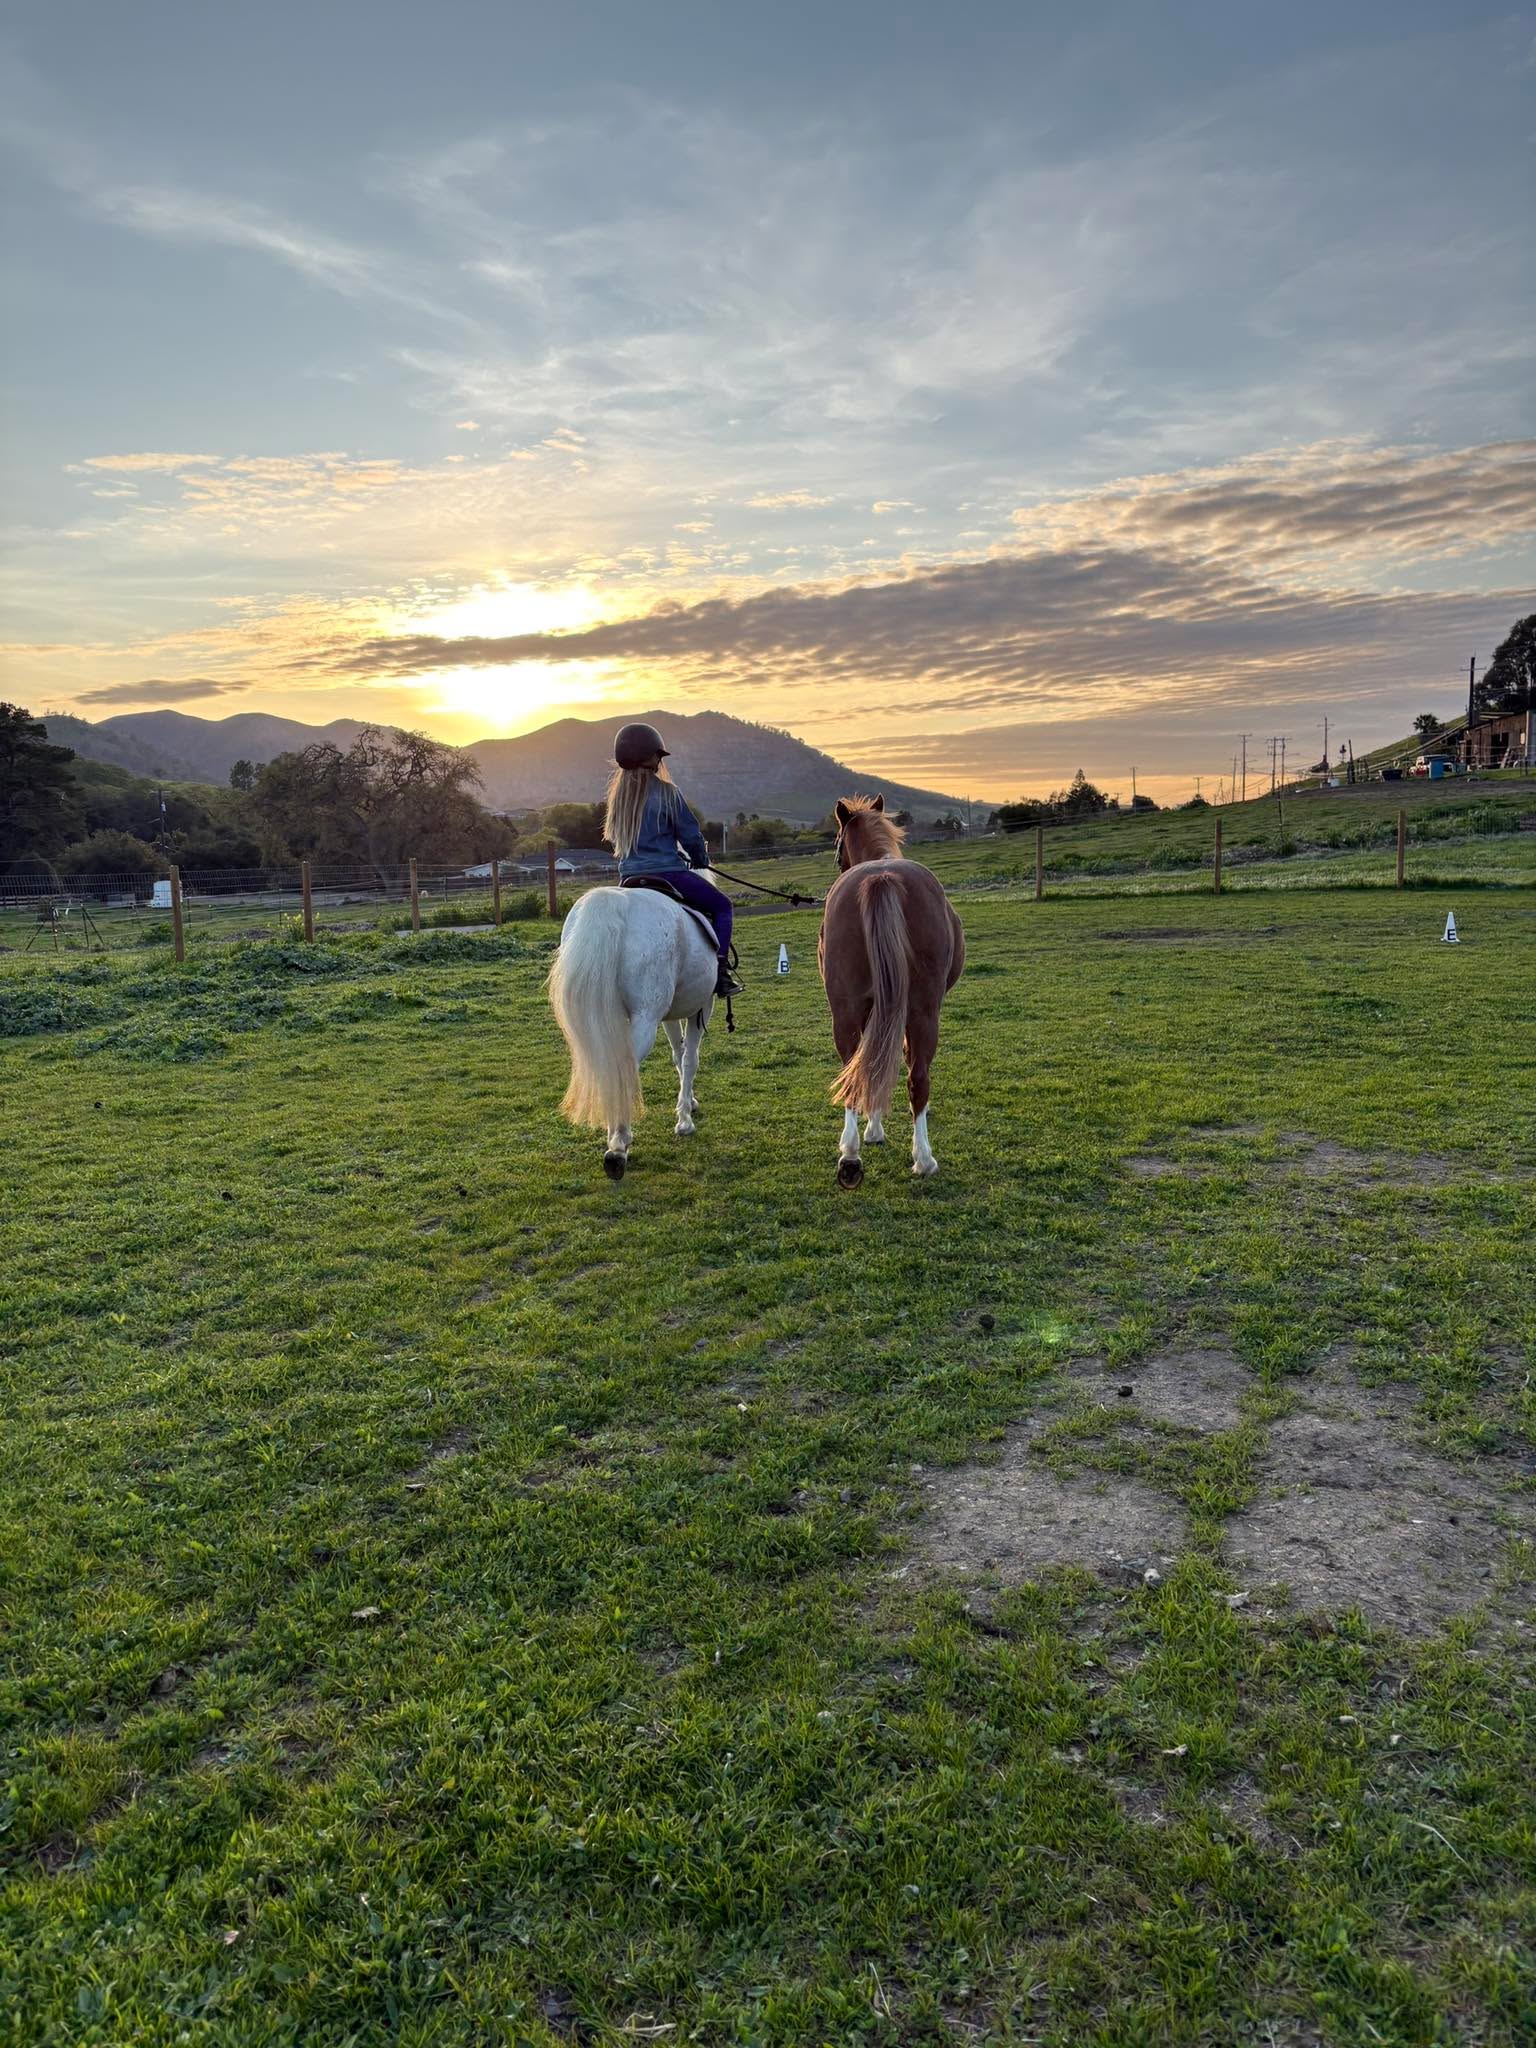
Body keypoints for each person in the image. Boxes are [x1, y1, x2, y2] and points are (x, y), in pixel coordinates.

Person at [604, 723, 743, 997]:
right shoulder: (668, 793)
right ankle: (721, 974)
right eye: (658, 755)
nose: (659, 761)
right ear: (649, 757)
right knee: (723, 906)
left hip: (628, 880)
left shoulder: (618, 799)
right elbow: (690, 835)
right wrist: (700, 858)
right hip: (669, 873)